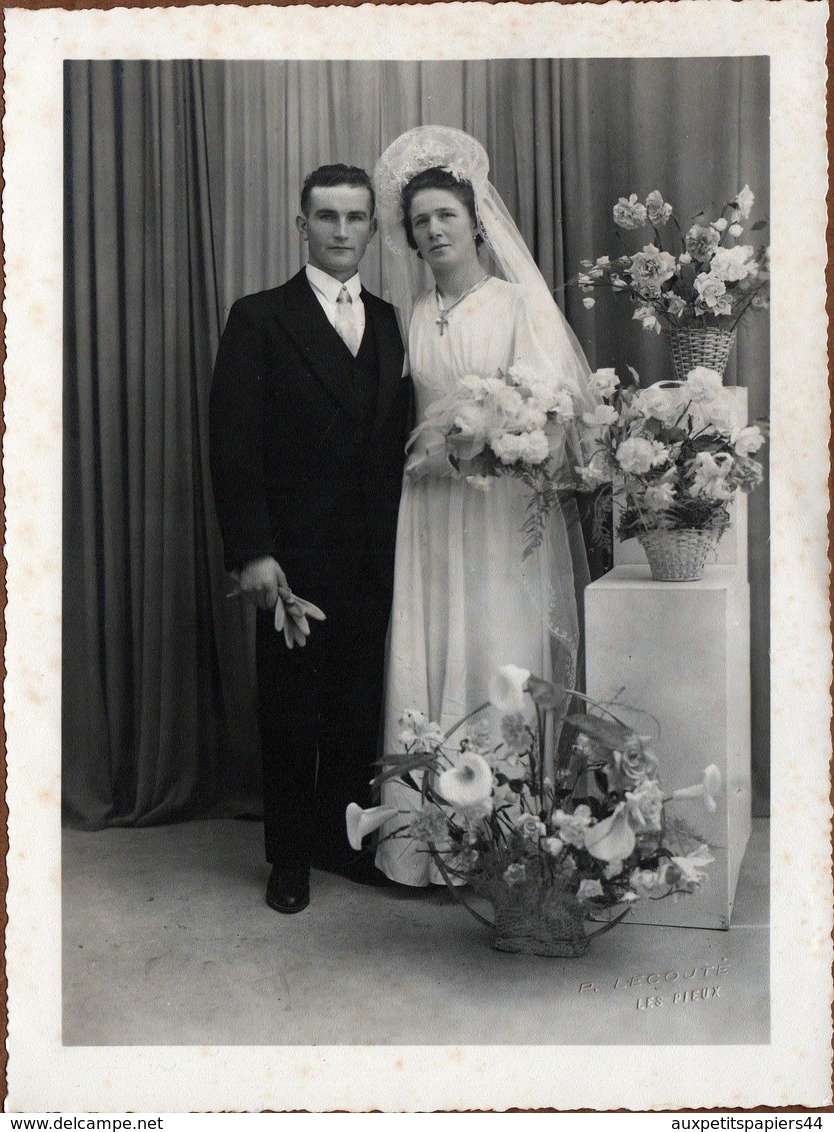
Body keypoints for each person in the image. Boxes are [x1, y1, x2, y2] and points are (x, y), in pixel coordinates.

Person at [372, 127, 596, 886]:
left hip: (494, 509)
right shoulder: (410, 314)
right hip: (426, 510)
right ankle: (426, 841)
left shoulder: (514, 304)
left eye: (446, 216)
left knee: (492, 640)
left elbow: (549, 415)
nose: (434, 231)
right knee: (431, 638)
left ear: (475, 221)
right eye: (420, 222)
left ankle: (499, 844)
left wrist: (470, 446)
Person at [209, 164, 410, 913]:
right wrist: (254, 551)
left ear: (372, 228)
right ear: (302, 226)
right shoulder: (260, 317)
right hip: (292, 557)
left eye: (355, 218)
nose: (341, 232)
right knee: (291, 709)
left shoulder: (391, 319)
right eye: (326, 217)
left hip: (376, 552)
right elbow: (233, 445)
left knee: (359, 703)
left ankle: (339, 839)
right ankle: (289, 857)